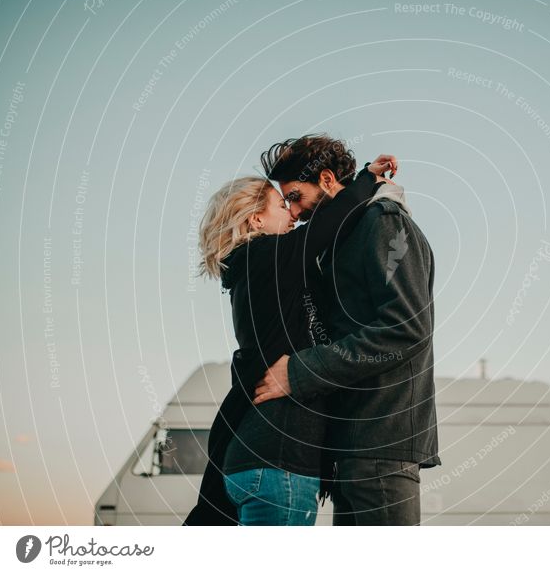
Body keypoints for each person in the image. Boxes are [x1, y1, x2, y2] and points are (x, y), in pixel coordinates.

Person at [183, 140, 399, 525]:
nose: (294, 216)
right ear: (255, 221)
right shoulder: (263, 257)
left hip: (262, 459)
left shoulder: (261, 272)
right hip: (279, 463)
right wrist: (367, 179)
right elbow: (327, 225)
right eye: (283, 205)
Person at [253, 135, 440, 525]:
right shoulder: (345, 234)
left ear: (324, 179)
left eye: (294, 196)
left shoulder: (383, 223)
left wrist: (301, 371)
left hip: (381, 442)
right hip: (354, 448)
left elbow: (406, 327)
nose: (293, 210)